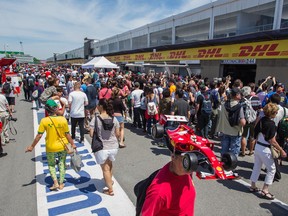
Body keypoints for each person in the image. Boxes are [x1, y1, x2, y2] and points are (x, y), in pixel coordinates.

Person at [25, 99, 76, 190]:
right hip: (63, 145)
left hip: (50, 146)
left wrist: (31, 146)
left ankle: (55, 183)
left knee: (51, 164)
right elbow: (67, 134)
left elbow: (39, 136)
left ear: (47, 110)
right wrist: (72, 144)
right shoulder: (63, 119)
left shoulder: (44, 121)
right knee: (62, 163)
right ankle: (61, 183)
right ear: (56, 109)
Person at [141, 132, 196, 215]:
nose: (191, 166)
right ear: (173, 156)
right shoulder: (158, 192)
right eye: (186, 160)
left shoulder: (186, 170)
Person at [250, 103, 287, 199]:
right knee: (272, 169)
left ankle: (253, 185)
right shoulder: (271, 124)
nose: (277, 113)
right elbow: (272, 141)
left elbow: (255, 132)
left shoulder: (261, 120)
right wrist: (281, 150)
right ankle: (265, 190)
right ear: (272, 113)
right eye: (276, 112)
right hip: (265, 148)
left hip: (258, 147)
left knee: (257, 166)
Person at [89, 99, 120, 196]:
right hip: (114, 146)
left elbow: (90, 134)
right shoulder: (113, 119)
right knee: (110, 164)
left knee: (105, 168)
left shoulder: (96, 119)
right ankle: (110, 180)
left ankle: (110, 189)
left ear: (101, 106)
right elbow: (118, 134)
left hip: (102, 147)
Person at [216, 87, 246, 158]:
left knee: (224, 150)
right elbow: (242, 122)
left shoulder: (224, 105)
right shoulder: (239, 107)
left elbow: (222, 97)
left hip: (225, 130)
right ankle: (232, 166)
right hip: (235, 132)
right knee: (234, 151)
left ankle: (223, 164)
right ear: (237, 95)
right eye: (240, 94)